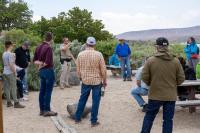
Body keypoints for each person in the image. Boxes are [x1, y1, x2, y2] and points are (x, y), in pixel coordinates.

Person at [141, 37, 185, 133]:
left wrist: (151, 84)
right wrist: (173, 85)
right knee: (168, 120)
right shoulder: (176, 61)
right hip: (170, 95)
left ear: (157, 47)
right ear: (167, 47)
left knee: (149, 117)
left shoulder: (150, 60)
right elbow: (181, 78)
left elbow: (144, 76)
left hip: (155, 94)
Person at [74, 37, 107, 127]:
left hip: (85, 81)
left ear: (86, 43)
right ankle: (93, 121)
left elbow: (78, 69)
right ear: (94, 44)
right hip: (97, 81)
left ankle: (77, 118)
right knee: (96, 101)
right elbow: (103, 70)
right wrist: (104, 81)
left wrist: (81, 77)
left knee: (82, 99)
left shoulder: (80, 54)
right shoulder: (99, 54)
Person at [33, 32, 57, 117]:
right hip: (48, 71)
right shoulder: (48, 48)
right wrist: (42, 65)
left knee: (42, 91)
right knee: (48, 91)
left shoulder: (38, 47)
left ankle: (41, 110)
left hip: (42, 72)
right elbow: (47, 62)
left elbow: (34, 61)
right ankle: (47, 110)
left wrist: (39, 66)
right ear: (51, 39)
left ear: (44, 38)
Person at [2, 41, 25, 108]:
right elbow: (11, 64)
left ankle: (8, 102)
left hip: (5, 72)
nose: (13, 47)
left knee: (6, 87)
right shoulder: (10, 54)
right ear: (10, 46)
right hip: (10, 72)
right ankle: (16, 103)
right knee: (14, 87)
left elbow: (6, 64)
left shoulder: (4, 53)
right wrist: (15, 72)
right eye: (12, 45)